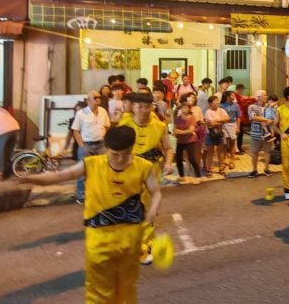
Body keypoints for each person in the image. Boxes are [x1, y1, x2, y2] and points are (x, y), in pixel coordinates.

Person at [18, 126, 161, 304]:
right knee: (100, 290)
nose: (118, 159)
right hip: (99, 237)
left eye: (124, 155)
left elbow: (156, 191)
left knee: (126, 285)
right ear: (107, 149)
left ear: (132, 150)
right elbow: (60, 177)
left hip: (131, 235)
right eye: (113, 154)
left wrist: (152, 211)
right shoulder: (91, 164)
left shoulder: (143, 167)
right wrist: (32, 178)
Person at [118, 93, 172, 265]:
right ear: (133, 107)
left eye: (146, 107)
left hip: (151, 171)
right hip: (129, 171)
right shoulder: (124, 124)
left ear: (152, 107)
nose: (142, 110)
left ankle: (145, 245)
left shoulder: (159, 126)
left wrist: (169, 163)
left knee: (148, 209)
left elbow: (168, 148)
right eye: (139, 106)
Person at [72, 91, 112, 203]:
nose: (98, 99)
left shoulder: (103, 111)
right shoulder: (81, 113)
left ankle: (101, 194)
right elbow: (75, 130)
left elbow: (107, 126)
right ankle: (81, 196)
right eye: (95, 97)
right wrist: (81, 145)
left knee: (103, 170)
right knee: (83, 171)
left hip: (101, 144)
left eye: (99, 97)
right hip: (87, 144)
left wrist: (106, 140)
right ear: (88, 100)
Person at [247, 90, 274, 177]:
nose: (266, 96)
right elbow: (252, 117)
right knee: (254, 151)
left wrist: (272, 130)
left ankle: (267, 169)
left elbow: (272, 118)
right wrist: (265, 120)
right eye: (264, 95)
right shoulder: (252, 106)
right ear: (258, 97)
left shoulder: (269, 106)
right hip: (256, 132)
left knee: (267, 151)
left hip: (267, 133)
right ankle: (254, 170)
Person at [173, 102, 202, 179]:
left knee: (192, 159)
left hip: (190, 140)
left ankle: (198, 176)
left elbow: (191, 130)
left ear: (189, 109)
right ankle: (181, 176)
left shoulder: (191, 117)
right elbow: (175, 129)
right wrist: (177, 132)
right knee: (178, 158)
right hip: (180, 141)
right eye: (183, 108)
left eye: (186, 108)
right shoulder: (177, 117)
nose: (184, 110)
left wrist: (180, 132)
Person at [203, 95, 230, 174]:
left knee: (220, 152)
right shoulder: (208, 112)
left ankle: (221, 168)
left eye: (217, 100)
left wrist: (217, 121)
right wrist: (221, 121)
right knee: (210, 151)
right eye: (215, 101)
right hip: (210, 133)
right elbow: (211, 123)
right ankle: (209, 169)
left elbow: (227, 119)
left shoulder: (222, 110)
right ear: (210, 103)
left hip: (221, 133)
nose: (217, 102)